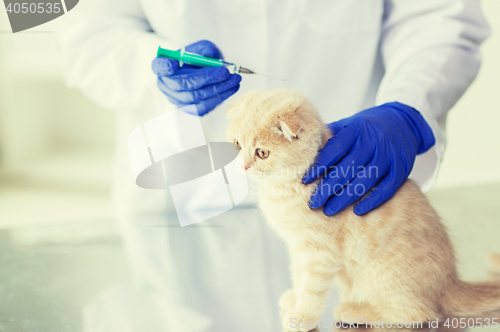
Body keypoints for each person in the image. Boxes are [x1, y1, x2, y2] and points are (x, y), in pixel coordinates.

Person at [58, 1, 490, 331]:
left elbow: (440, 16)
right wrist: (147, 70)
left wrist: (411, 109)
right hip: (175, 198)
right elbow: (86, 29)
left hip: (347, 173)